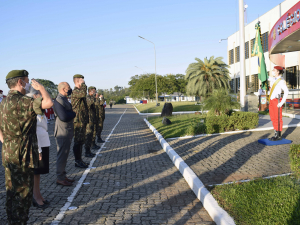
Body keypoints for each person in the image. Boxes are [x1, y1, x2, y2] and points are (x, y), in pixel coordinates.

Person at [0, 70, 53, 225]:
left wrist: (6, 142)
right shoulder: (24, 101)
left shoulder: (4, 102)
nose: (29, 84)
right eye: (27, 81)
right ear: (20, 82)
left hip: (9, 152)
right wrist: (41, 88)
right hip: (23, 154)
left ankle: (12, 221)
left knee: (12, 192)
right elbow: (48, 103)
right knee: (23, 195)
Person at [26, 88, 50, 209]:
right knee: (35, 172)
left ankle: (38, 195)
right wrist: (38, 150)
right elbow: (33, 132)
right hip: (38, 145)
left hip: (43, 142)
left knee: (38, 173)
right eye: (40, 96)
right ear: (34, 97)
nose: (42, 99)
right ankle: (35, 197)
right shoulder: (32, 111)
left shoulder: (39, 110)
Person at [54, 82, 76, 186]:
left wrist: (70, 114)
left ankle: (63, 175)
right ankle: (60, 178)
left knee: (65, 154)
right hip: (62, 131)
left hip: (67, 130)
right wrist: (73, 113)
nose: (70, 89)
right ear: (63, 89)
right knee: (62, 155)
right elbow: (64, 116)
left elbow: (68, 114)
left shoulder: (64, 99)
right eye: (68, 87)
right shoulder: (58, 100)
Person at [71, 74, 89, 168]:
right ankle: (77, 161)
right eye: (82, 81)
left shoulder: (80, 91)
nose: (84, 82)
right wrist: (84, 85)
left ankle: (80, 160)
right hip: (77, 120)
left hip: (82, 119)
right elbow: (83, 94)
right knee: (78, 141)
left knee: (81, 141)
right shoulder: (76, 92)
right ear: (77, 81)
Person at [268, 66, 289, 141]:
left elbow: (286, 91)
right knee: (273, 118)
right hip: (271, 100)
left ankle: (278, 135)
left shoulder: (281, 81)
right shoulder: (274, 79)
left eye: (274, 70)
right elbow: (266, 77)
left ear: (278, 72)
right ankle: (275, 133)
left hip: (277, 101)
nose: (273, 71)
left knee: (278, 118)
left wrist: (282, 102)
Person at [85, 86, 98, 157]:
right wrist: (94, 97)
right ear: (90, 91)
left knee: (91, 135)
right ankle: (87, 151)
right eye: (94, 91)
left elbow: (97, 104)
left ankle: (89, 150)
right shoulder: (87, 98)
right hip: (88, 120)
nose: (95, 93)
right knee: (88, 136)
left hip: (92, 119)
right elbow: (89, 104)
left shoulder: (92, 98)